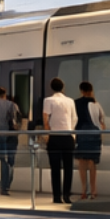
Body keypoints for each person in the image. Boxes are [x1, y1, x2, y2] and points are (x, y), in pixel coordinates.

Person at [43, 76, 77, 204]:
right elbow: (74, 119)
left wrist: (48, 134)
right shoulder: (70, 101)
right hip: (68, 137)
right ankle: (67, 196)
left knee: (55, 168)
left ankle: (57, 197)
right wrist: (72, 133)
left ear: (52, 87)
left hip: (54, 137)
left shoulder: (48, 100)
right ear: (63, 88)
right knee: (68, 168)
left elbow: (46, 120)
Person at [73, 82, 104, 202]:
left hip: (81, 134)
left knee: (82, 162)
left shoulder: (76, 103)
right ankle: (93, 190)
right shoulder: (96, 104)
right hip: (95, 135)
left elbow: (74, 119)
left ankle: (83, 190)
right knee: (92, 163)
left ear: (81, 90)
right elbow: (102, 122)